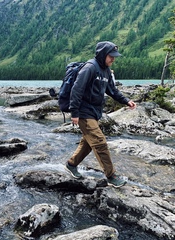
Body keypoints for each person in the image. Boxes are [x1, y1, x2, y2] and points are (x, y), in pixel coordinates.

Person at [65, 41, 136, 188]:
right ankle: (111, 175)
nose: (113, 59)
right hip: (84, 112)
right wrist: (74, 112)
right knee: (100, 142)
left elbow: (112, 90)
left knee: (89, 143)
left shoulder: (106, 71)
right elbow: (77, 90)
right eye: (111, 56)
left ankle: (71, 164)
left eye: (114, 56)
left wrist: (126, 101)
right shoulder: (90, 68)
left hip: (94, 112)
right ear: (103, 54)